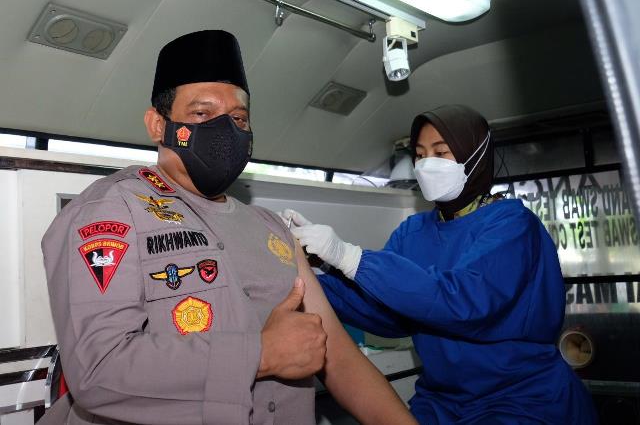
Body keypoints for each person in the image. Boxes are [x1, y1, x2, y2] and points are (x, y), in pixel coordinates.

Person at [39, 30, 417, 425]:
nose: (226, 131)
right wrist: (262, 355)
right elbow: (98, 370)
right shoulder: (112, 210)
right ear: (157, 125)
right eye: (202, 114)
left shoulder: (271, 227)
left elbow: (339, 357)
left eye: (238, 119)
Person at [282, 105, 598, 424]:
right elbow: (389, 315)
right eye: (420, 155)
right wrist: (312, 272)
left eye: (441, 152)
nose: (426, 164)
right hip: (442, 401)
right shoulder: (412, 232)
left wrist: (348, 256)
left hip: (519, 396)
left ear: (474, 156)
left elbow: (463, 301)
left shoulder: (511, 224)